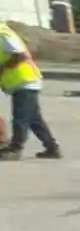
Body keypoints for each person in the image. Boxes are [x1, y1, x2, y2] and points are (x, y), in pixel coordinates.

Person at [0, 20, 59, 160]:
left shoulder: (3, 34)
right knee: (34, 120)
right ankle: (52, 148)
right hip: (23, 82)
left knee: (20, 118)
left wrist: (2, 68)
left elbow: (20, 55)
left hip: (25, 80)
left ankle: (15, 148)